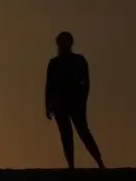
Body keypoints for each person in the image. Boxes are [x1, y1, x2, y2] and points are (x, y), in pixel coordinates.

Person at [45, 31, 105, 169]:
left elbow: (86, 82)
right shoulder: (54, 63)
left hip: (75, 103)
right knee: (66, 135)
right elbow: (49, 85)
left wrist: (82, 99)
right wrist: (47, 105)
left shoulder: (78, 60)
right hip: (59, 103)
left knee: (83, 132)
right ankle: (71, 165)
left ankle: (99, 162)